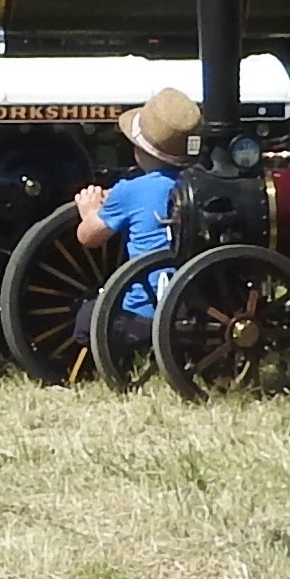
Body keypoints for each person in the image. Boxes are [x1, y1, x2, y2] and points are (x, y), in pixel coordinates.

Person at [62, 87, 198, 370]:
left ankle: (109, 367)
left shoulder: (131, 191)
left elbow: (89, 238)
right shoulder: (201, 186)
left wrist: (89, 209)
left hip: (144, 319)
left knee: (86, 314)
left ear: (138, 151)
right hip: (201, 313)